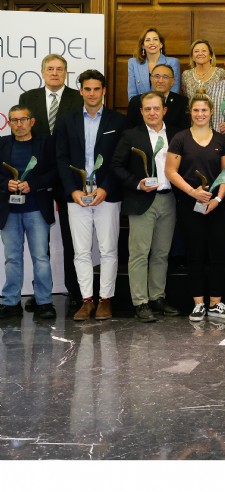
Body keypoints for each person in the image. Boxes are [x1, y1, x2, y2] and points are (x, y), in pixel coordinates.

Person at [55, 70, 127, 321]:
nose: (92, 93)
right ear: (81, 91)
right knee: (81, 251)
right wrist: (72, 190)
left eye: (97, 89)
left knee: (108, 250)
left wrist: (105, 188)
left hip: (107, 194)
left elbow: (120, 160)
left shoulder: (118, 122)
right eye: (87, 89)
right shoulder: (66, 121)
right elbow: (61, 159)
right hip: (76, 196)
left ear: (104, 91)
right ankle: (86, 301)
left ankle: (105, 300)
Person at [18, 53, 82, 306]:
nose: (55, 73)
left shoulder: (78, 99)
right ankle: (41, 292)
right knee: (39, 239)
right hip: (40, 176)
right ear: (43, 72)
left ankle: (76, 291)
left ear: (66, 73)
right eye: (50, 69)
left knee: (72, 236)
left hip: (69, 176)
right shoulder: (28, 98)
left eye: (60, 69)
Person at [166, 94, 225, 322]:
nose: (200, 114)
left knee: (218, 254)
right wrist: (192, 192)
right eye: (196, 110)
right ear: (190, 112)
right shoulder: (180, 138)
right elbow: (171, 171)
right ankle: (198, 304)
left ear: (211, 111)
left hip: (217, 207)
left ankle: (215, 303)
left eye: (204, 110)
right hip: (190, 204)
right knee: (194, 254)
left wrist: (218, 200)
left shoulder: (221, 140)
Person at [111, 91, 179, 322]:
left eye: (156, 108)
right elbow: (117, 166)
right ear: (141, 112)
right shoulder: (131, 136)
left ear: (164, 110)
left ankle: (157, 297)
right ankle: (140, 302)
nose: (152, 112)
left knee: (161, 253)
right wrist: (136, 184)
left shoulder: (177, 135)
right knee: (139, 254)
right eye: (147, 109)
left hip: (169, 200)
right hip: (141, 200)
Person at [0, 106, 56, 320]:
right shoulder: (2, 144)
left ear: (32, 121)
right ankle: (10, 302)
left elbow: (55, 171)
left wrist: (33, 184)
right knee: (12, 258)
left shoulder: (45, 144)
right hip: (9, 211)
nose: (19, 124)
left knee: (40, 257)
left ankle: (44, 302)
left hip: (36, 208)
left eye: (23, 119)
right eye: (14, 120)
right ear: (9, 123)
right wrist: (7, 183)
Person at [126, 65, 188, 133]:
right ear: (151, 79)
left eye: (165, 77)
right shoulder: (137, 101)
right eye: (157, 76)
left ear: (173, 81)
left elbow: (185, 131)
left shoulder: (182, 102)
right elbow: (129, 130)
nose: (160, 81)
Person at [127, 28, 181, 100]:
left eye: (155, 39)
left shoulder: (173, 62)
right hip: (140, 108)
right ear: (143, 45)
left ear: (161, 44)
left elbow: (174, 93)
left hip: (165, 109)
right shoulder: (133, 63)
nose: (152, 43)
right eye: (148, 40)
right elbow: (132, 95)